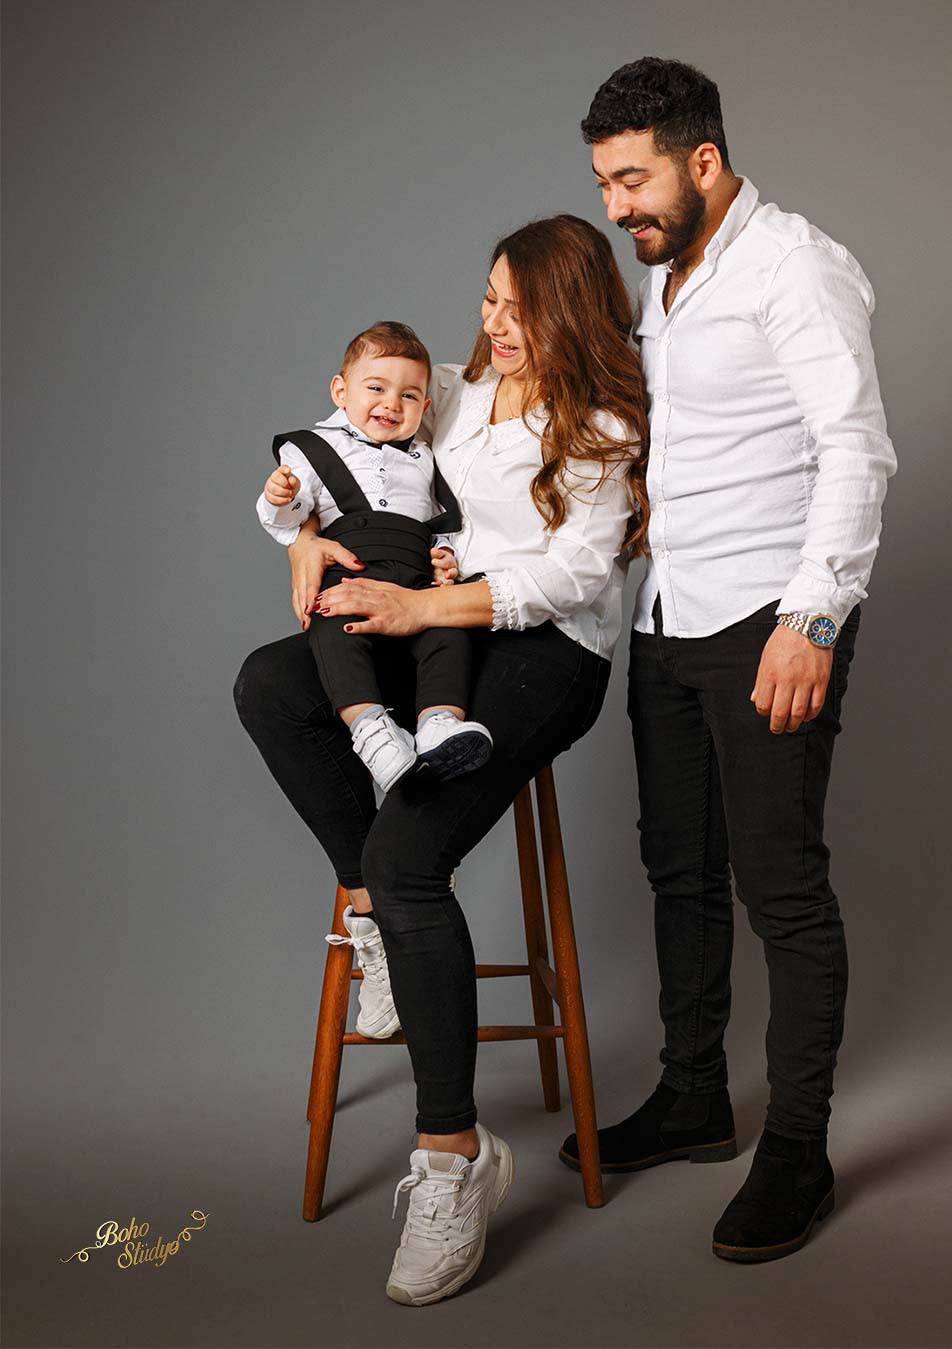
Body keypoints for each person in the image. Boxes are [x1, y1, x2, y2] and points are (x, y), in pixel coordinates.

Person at [234, 213, 649, 1305]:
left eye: (518, 308)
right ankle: (370, 909)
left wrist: (424, 604)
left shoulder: (599, 424)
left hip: (544, 652)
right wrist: (303, 540)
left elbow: (572, 577)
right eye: (489, 299)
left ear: (568, 312)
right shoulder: (453, 393)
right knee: (270, 682)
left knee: (413, 850)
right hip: (434, 633)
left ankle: (454, 1156)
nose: (494, 324)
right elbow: (346, 454)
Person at [559, 57, 897, 1264]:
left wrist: (816, 619)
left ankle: (798, 1149)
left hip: (769, 620)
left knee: (780, 886)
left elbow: (855, 446)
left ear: (702, 161)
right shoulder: (669, 273)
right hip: (669, 615)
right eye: (603, 183)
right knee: (680, 870)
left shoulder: (797, 266)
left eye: (632, 179)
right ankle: (695, 1095)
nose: (615, 207)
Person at [257, 319, 493, 796]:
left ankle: (439, 724)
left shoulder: (425, 456)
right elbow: (292, 521)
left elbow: (439, 522)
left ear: (425, 407)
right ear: (340, 391)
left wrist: (444, 557)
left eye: (409, 395)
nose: (392, 404)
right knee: (334, 632)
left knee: (449, 633)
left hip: (414, 576)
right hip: (351, 571)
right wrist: (281, 497)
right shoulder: (312, 448)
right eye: (377, 388)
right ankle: (371, 731)